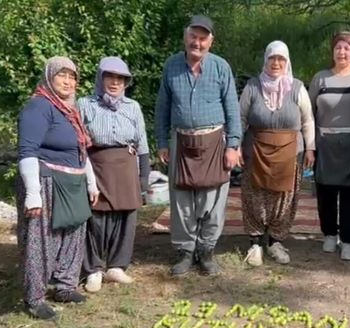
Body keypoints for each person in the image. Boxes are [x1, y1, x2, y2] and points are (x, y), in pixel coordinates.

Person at [155, 15, 241, 276]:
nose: (198, 42)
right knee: (181, 200)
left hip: (215, 141)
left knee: (213, 200)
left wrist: (233, 145)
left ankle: (206, 251)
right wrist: (161, 142)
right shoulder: (172, 66)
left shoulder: (220, 67)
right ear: (186, 36)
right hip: (181, 140)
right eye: (194, 36)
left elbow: (233, 109)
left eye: (203, 38)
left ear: (210, 41)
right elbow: (162, 109)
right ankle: (185, 251)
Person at [16, 56, 99, 319]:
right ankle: (35, 298)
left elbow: (80, 150)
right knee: (43, 241)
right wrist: (32, 194)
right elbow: (27, 151)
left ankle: (65, 286)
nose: (68, 81)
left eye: (72, 76)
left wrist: (91, 182)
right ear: (49, 77)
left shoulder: (70, 111)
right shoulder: (39, 107)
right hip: (47, 180)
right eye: (61, 75)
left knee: (73, 234)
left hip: (72, 181)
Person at [239, 40, 315, 266]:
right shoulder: (252, 87)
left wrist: (310, 148)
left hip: (291, 153)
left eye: (281, 58)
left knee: (284, 198)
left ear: (287, 61)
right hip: (256, 151)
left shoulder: (298, 87)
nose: (276, 63)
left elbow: (308, 120)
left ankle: (275, 241)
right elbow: (241, 118)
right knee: (255, 196)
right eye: (272, 58)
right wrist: (235, 146)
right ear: (266, 59)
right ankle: (255, 242)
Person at [77, 57, 150, 292]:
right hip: (98, 165)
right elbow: (78, 140)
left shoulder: (133, 107)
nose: (115, 82)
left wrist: (144, 177)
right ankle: (94, 269)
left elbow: (142, 143)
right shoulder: (85, 104)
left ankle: (117, 266)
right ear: (101, 78)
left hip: (127, 165)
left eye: (120, 78)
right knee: (96, 216)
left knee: (126, 215)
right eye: (110, 77)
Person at [309, 31, 350, 261]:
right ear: (333, 51)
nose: (342, 52)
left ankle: (348, 239)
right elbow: (309, 114)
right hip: (325, 143)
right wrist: (310, 144)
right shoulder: (320, 78)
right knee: (325, 191)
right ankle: (329, 234)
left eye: (347, 48)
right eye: (338, 47)